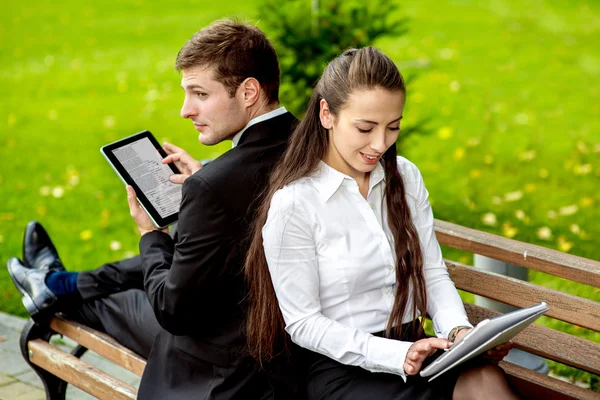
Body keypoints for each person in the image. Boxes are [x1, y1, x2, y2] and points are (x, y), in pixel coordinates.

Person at [8, 19, 301, 399]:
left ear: (248, 92)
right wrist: (206, 176)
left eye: (199, 93)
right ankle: (54, 281)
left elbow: (172, 310)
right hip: (283, 348)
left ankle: (55, 286)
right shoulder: (305, 143)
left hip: (224, 368)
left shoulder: (216, 186)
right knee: (150, 270)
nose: (185, 110)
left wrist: (151, 234)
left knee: (115, 299)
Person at [245, 47, 519, 399]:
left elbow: (432, 274)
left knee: (485, 382)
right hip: (345, 369)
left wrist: (459, 334)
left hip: (422, 350)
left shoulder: (404, 177)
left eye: (393, 127)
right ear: (326, 114)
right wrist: (396, 355)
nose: (380, 144)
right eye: (365, 127)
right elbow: (303, 322)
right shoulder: (295, 203)